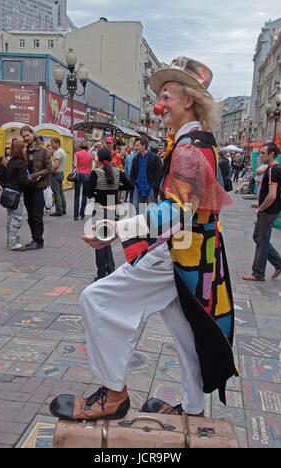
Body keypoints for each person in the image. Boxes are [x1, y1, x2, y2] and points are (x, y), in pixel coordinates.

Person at [50, 56, 238, 422]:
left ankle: (113, 393)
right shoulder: (201, 143)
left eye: (167, 95)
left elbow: (178, 211)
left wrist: (118, 228)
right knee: (186, 332)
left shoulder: (187, 149)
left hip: (178, 254)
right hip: (195, 256)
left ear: (188, 102)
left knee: (97, 300)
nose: (160, 104)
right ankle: (194, 409)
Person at [85, 147, 133, 281]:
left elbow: (88, 193)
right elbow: (130, 186)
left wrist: (96, 191)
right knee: (107, 240)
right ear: (111, 158)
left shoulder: (96, 172)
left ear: (98, 159)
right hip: (114, 210)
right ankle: (111, 270)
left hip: (100, 208)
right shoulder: (117, 171)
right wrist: (117, 187)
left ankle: (101, 274)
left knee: (99, 242)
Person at [243, 143, 281, 281]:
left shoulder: (273, 170)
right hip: (269, 210)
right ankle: (279, 263)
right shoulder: (272, 168)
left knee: (261, 240)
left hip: (268, 211)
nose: (261, 156)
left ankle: (258, 273)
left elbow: (272, 195)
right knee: (259, 237)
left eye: (263, 153)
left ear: (272, 154)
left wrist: (261, 208)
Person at [20, 125, 52, 250]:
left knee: (37, 214)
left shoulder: (43, 151)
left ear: (33, 133)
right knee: (30, 215)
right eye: (23, 137)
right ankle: (34, 237)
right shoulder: (25, 151)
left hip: (38, 186)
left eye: (27, 135)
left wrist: (34, 176)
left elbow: (49, 169)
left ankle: (39, 240)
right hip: (27, 187)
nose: (26, 138)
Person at [5, 141, 34, 251]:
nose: (25, 150)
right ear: (20, 149)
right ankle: (14, 243)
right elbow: (23, 182)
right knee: (17, 218)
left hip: (8, 192)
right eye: (24, 148)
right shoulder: (21, 163)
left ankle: (9, 240)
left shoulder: (10, 161)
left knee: (9, 217)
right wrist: (32, 181)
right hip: (17, 193)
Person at [130, 136, 162, 214]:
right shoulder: (135, 158)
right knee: (136, 210)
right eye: (135, 145)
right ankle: (138, 224)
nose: (135, 148)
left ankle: (150, 225)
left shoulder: (154, 158)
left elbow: (159, 173)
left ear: (144, 146)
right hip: (138, 188)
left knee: (151, 210)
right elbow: (132, 173)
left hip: (150, 188)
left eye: (138, 145)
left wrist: (154, 185)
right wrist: (134, 183)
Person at [73, 141, 93, 221]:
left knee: (77, 195)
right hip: (87, 175)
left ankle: (75, 215)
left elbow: (75, 165)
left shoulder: (77, 154)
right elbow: (90, 168)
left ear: (80, 146)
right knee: (84, 195)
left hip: (78, 174)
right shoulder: (90, 156)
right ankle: (82, 214)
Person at [50, 137, 67, 217]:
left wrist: (50, 172)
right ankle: (63, 208)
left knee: (56, 193)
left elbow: (56, 165)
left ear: (57, 143)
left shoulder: (58, 153)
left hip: (56, 174)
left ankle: (58, 210)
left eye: (53, 143)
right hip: (61, 173)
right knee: (61, 192)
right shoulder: (63, 151)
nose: (52, 145)